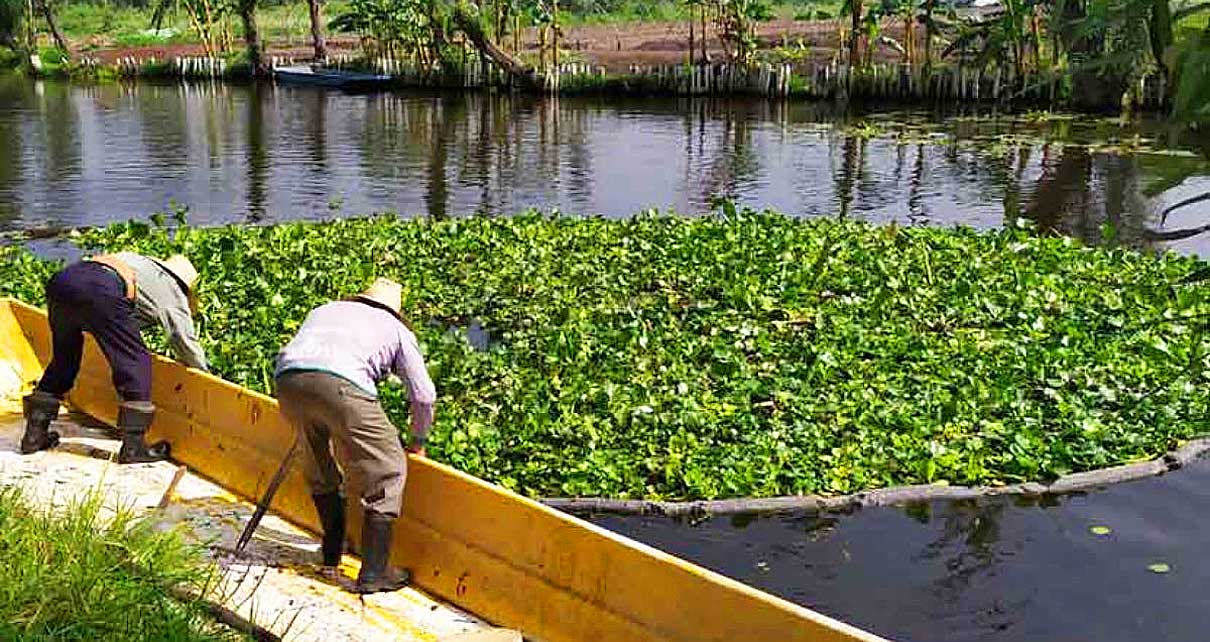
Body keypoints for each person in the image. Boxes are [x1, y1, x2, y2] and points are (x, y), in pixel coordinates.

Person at [274, 278, 436, 594]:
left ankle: (332, 550)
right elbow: (423, 395)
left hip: (288, 378)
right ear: (396, 311)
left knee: (317, 465)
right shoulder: (397, 329)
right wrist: (418, 442)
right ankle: (374, 573)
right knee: (389, 469)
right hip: (342, 384)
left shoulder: (325, 309)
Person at [21, 252, 207, 464]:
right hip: (99, 289)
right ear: (183, 285)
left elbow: (114, 313)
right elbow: (182, 338)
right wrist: (205, 375)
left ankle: (34, 435)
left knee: (65, 358)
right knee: (136, 361)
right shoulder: (171, 289)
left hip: (63, 281)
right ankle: (134, 448)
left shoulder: (137, 262)